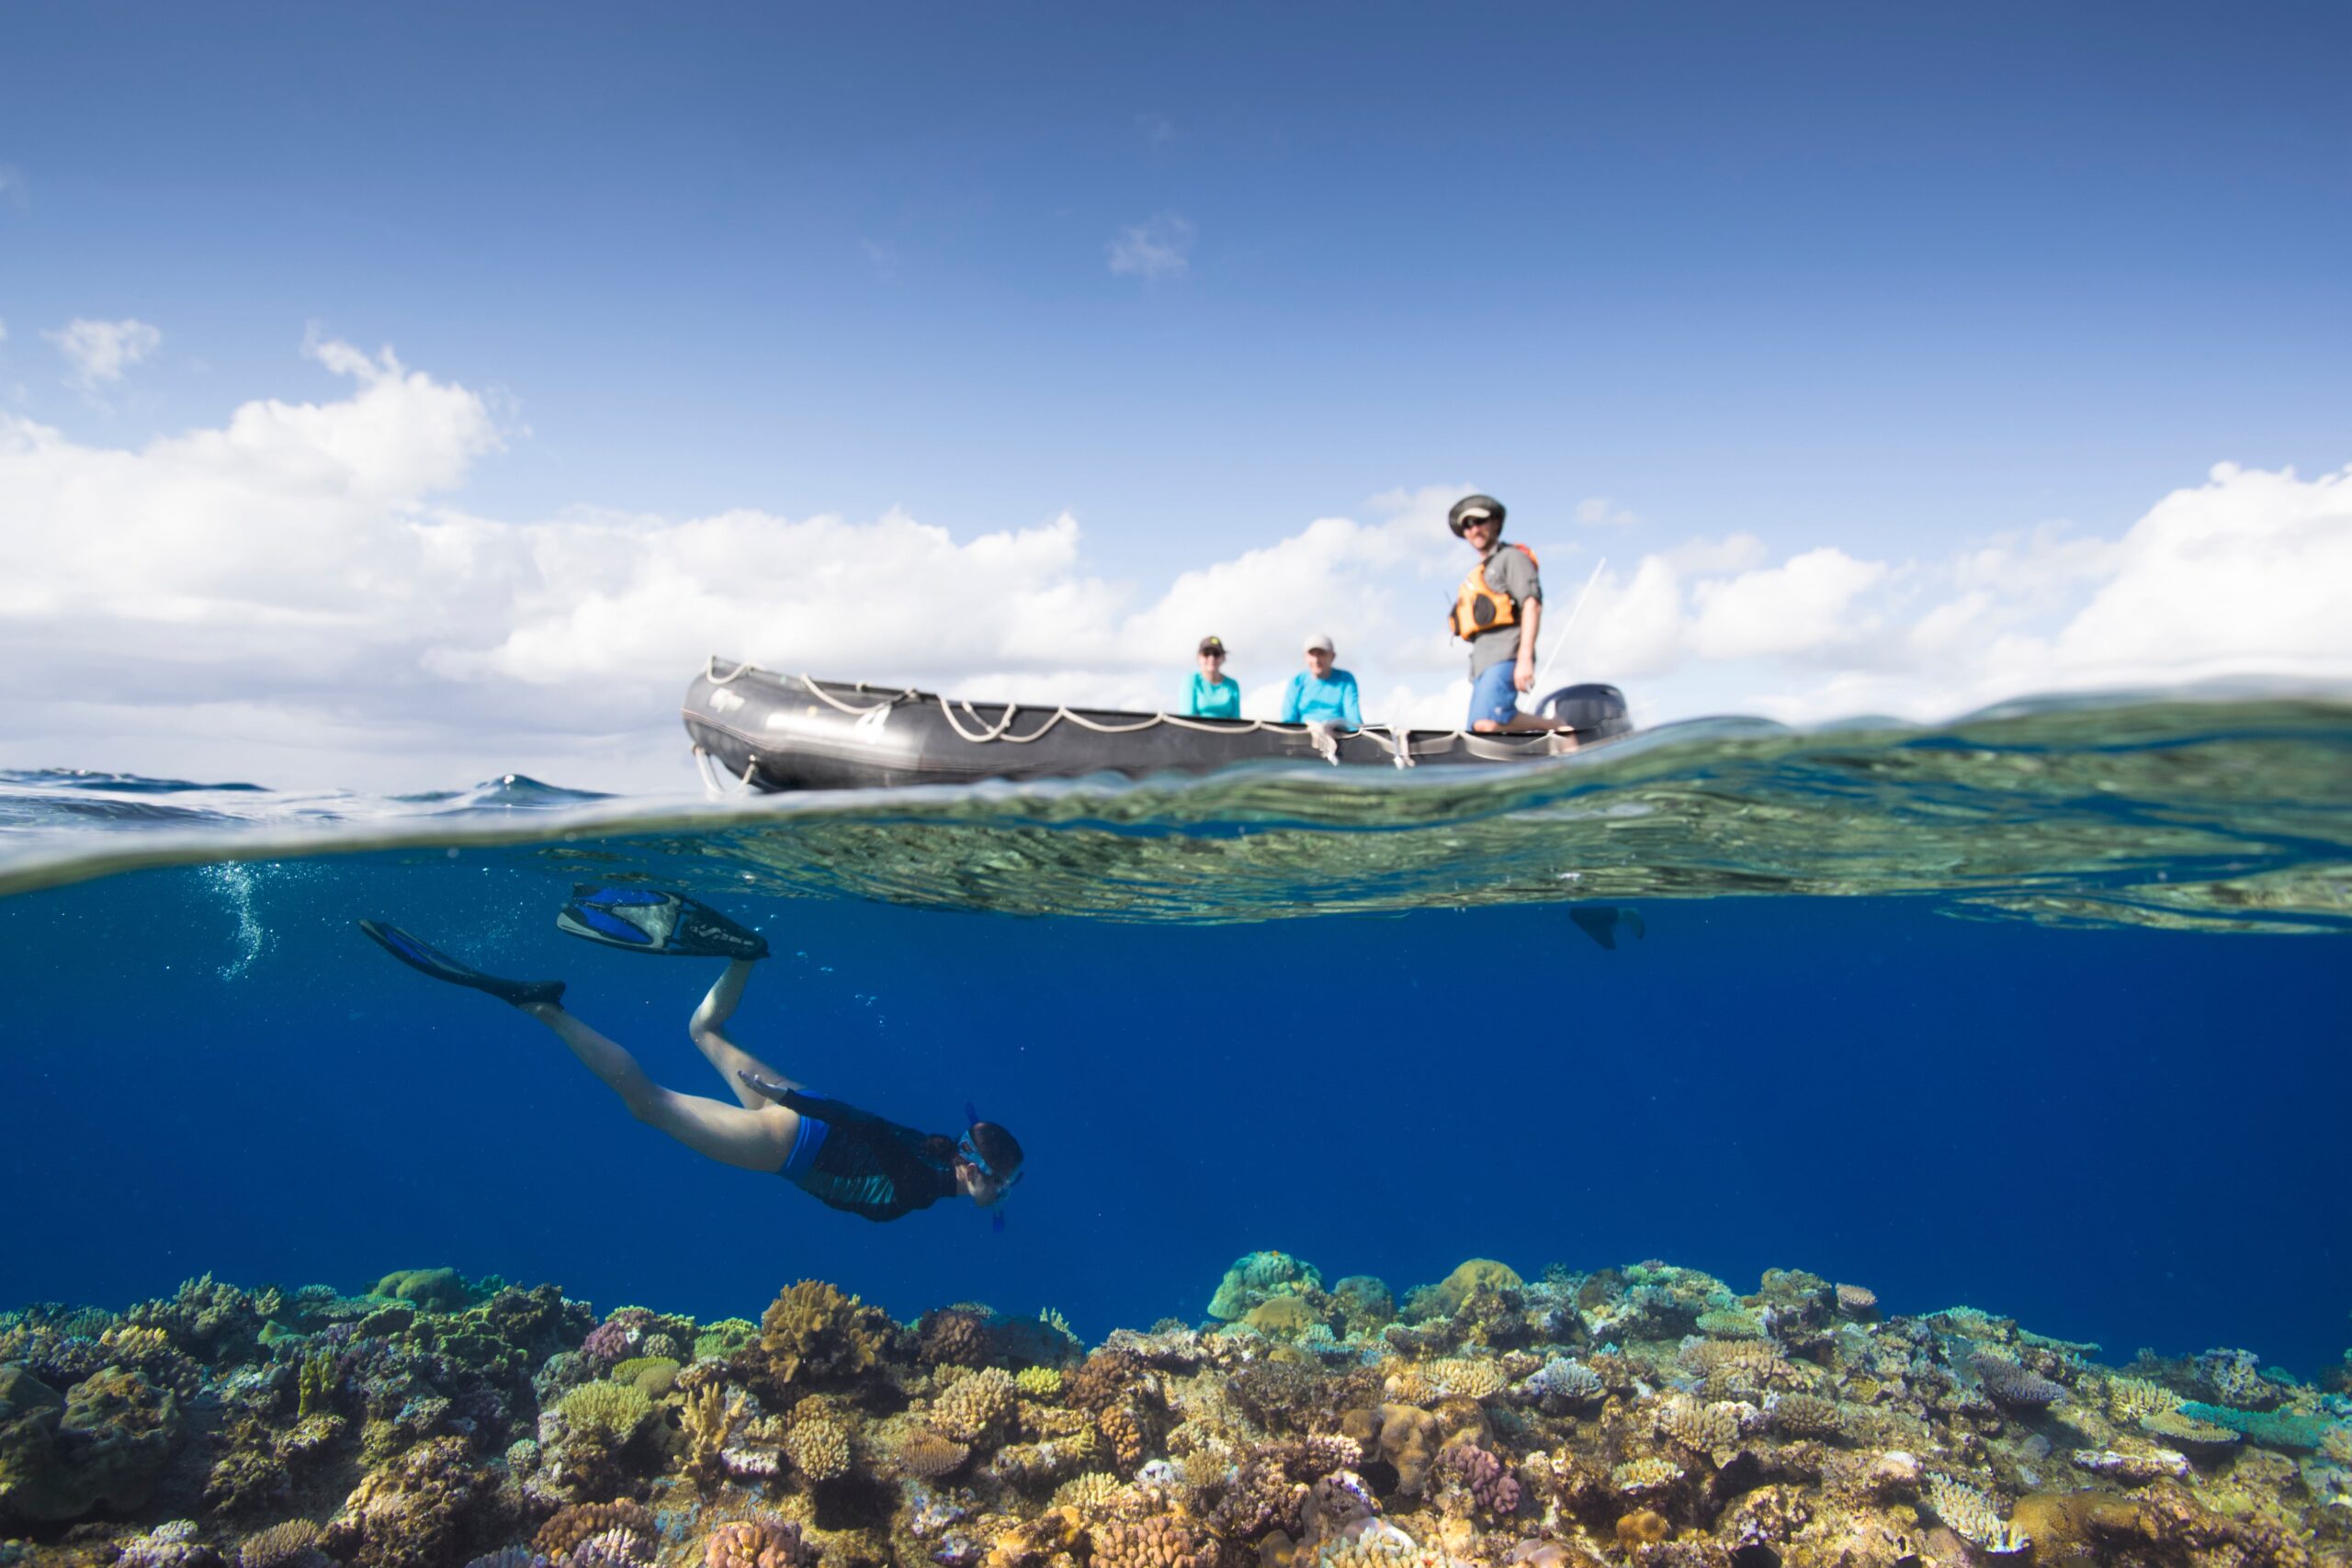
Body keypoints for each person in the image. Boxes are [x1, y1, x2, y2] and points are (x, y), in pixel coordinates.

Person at [357, 886, 1023, 1224]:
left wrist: (795, 1097)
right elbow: (866, 1126)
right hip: (787, 1141)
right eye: (1006, 1182)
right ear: (977, 1169)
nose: (1005, 1195)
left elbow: (876, 1125)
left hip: (798, 1116)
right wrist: (795, 1103)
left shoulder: (934, 1153)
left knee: (702, 1030)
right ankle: (544, 1006)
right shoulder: (921, 1182)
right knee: (649, 1104)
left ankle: (744, 955)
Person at [1446, 493, 1572, 735]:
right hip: (1481, 661)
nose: (1474, 530)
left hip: (1506, 652)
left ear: (1495, 523)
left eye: (1480, 522)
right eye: (1468, 525)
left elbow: (1532, 604)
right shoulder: (1480, 571)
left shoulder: (1511, 558)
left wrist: (1525, 657)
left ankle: (1558, 727)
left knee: (1487, 722)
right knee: (1478, 729)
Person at [1281, 633, 1362, 728]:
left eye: (1321, 654)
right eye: (1312, 654)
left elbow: (1353, 720)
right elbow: (1288, 721)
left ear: (1332, 656)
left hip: (1339, 737)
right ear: (1305, 657)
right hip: (1303, 736)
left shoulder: (1346, 680)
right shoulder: (1297, 682)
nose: (1316, 660)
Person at [1182, 635, 1241, 718]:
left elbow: (1236, 720)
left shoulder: (1232, 685)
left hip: (1227, 731)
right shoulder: (1191, 681)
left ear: (1223, 658)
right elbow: (1188, 718)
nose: (1212, 658)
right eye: (1206, 654)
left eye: (1216, 654)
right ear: (1199, 658)